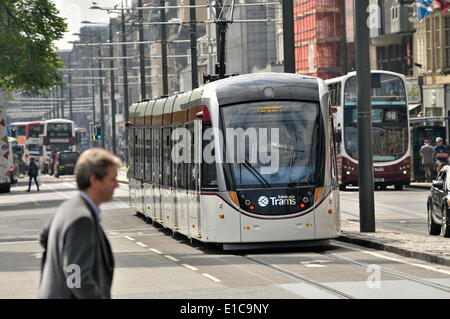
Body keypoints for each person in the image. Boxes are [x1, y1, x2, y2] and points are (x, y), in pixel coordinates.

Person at [38, 148, 121, 299]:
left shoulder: (67, 207)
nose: (117, 185)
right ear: (94, 181)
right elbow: (76, 279)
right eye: (112, 179)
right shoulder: (81, 220)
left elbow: (44, 237)